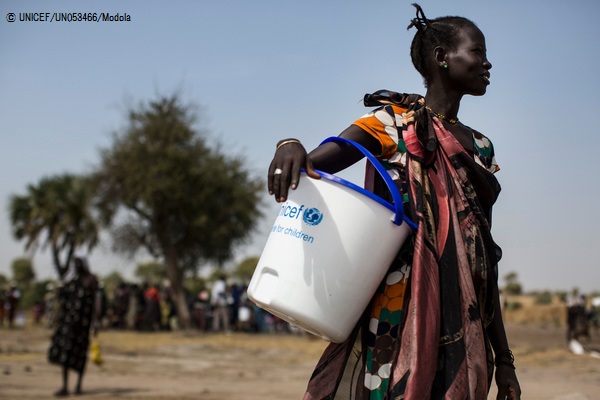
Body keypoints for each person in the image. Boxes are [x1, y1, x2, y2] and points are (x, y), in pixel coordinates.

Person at [267, 4, 521, 399]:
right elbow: (317, 162)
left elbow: (484, 260)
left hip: (463, 322)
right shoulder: (390, 125)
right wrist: (289, 145)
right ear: (441, 58)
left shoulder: (480, 150)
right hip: (395, 313)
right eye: (478, 52)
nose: (488, 64)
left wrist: (504, 359)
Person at [48, 257, 100, 396]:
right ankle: (64, 386)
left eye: (78, 264)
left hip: (83, 325)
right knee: (65, 353)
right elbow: (62, 297)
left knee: (81, 354)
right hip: (68, 324)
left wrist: (96, 322)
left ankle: (78, 386)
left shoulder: (91, 280)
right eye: (74, 265)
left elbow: (95, 301)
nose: (76, 267)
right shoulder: (71, 282)